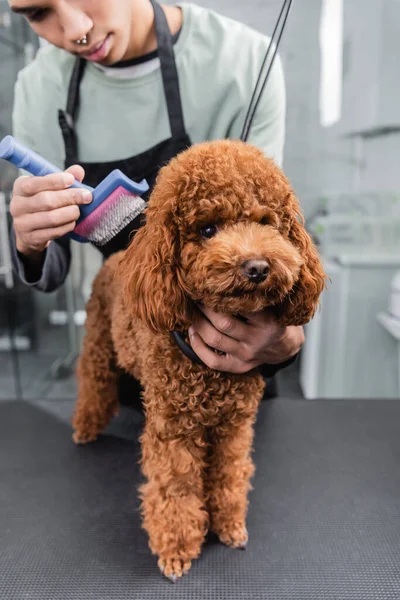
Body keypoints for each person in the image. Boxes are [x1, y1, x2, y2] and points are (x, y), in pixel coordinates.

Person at [8, 0, 304, 405]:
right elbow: (51, 262)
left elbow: (269, 237)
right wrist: (29, 239)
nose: (76, 29)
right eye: (38, 12)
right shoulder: (39, 88)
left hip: (236, 353)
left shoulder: (246, 62)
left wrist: (280, 337)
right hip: (132, 347)